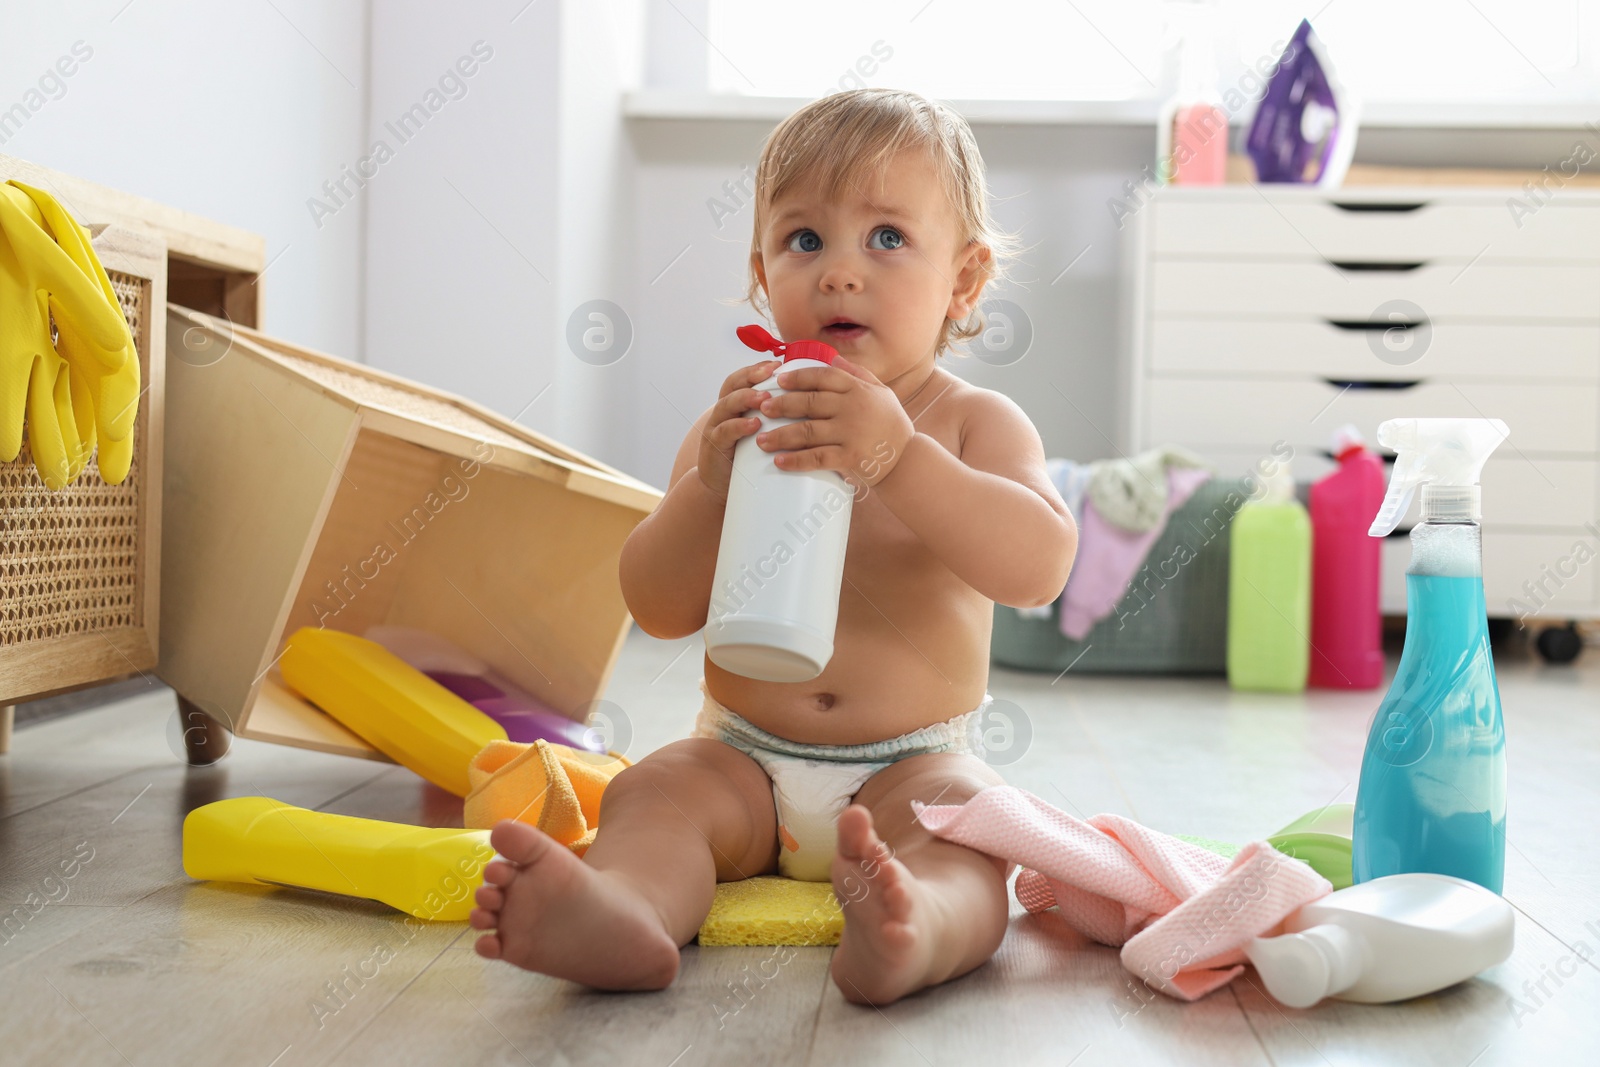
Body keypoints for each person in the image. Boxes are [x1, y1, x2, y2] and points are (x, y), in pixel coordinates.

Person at [471, 87, 1076, 1006]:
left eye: (885, 238)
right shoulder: (745, 421)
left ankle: (915, 927)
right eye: (805, 240)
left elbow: (1038, 567)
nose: (839, 272)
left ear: (964, 279)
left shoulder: (970, 424)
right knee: (652, 796)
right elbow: (656, 606)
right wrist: (709, 487)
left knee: (969, 840)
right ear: (762, 272)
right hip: (742, 755)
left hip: (911, 758)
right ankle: (626, 911)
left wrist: (899, 458)